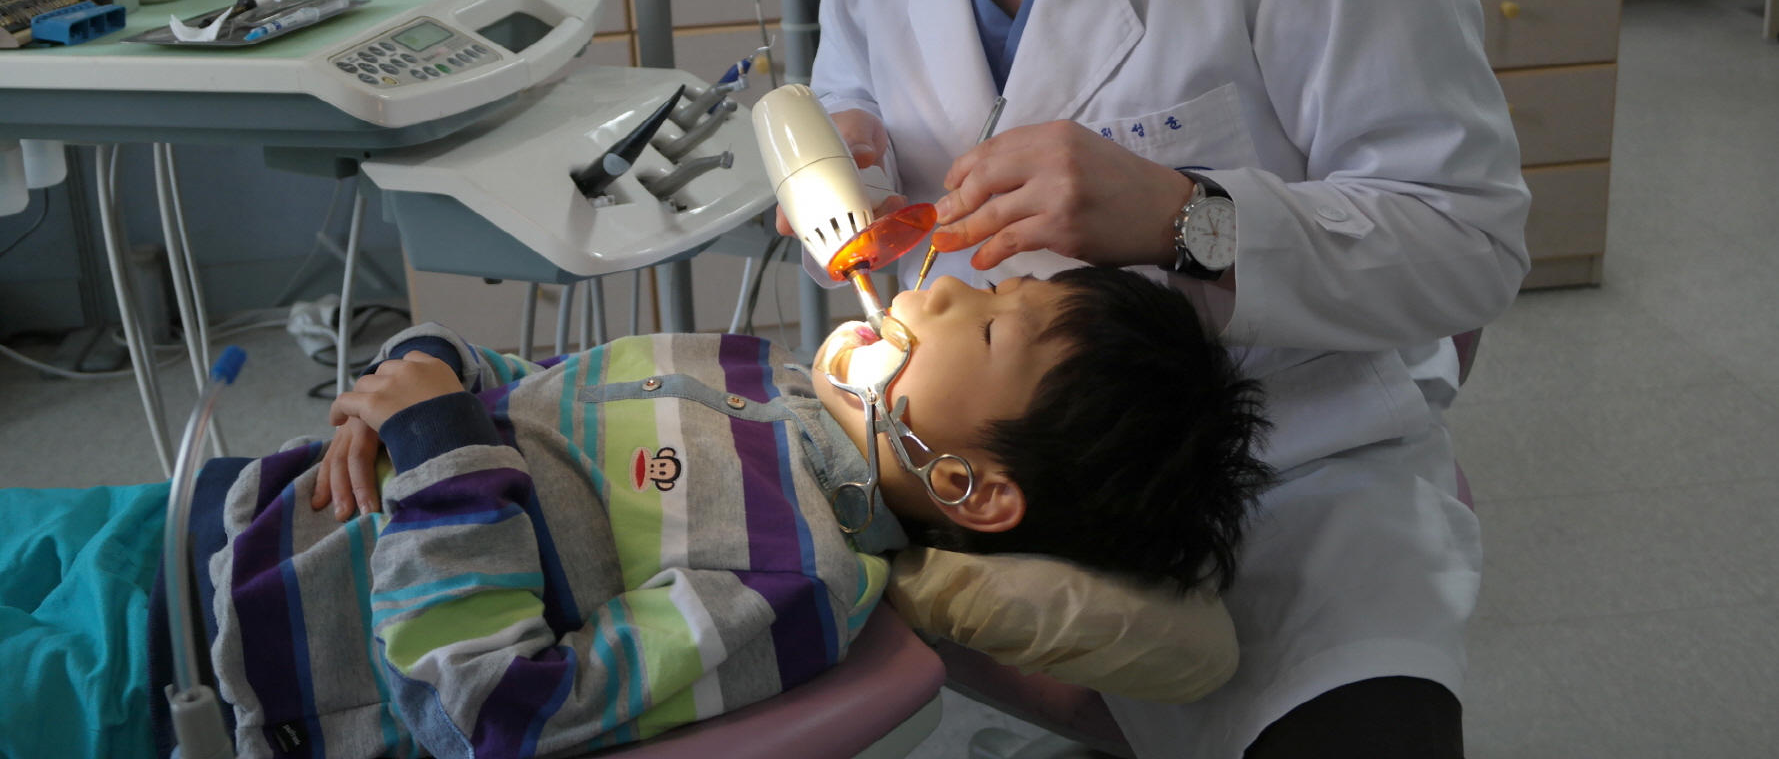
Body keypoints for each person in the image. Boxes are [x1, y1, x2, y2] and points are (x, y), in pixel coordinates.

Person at [666, 0, 1530, 757]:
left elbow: (1469, 245)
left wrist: (1186, 218)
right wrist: (856, 140)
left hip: (1286, 483)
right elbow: (862, 74)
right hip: (978, 486)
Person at [0, 267, 1268, 759]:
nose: (941, 291)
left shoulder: (792, 582)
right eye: (989, 285)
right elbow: (523, 386)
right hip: (188, 515)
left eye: (987, 328)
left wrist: (436, 441)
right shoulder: (758, 375)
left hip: (185, 669)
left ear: (972, 488)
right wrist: (426, 367)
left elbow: (494, 705)